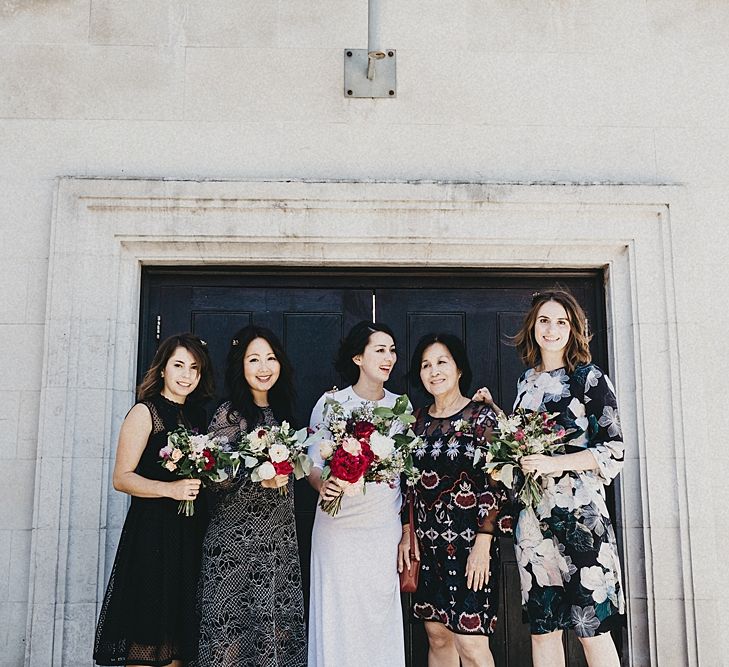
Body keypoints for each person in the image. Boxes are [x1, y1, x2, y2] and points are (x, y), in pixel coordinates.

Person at [476, 290, 625, 667]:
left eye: (561, 321)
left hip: (581, 519)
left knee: (592, 629)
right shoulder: (526, 382)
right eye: (544, 320)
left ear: (574, 329)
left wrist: (556, 464)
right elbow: (521, 445)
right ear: (533, 327)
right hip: (534, 524)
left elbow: (615, 450)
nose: (552, 329)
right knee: (543, 632)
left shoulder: (589, 379)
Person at [93, 333, 215, 667]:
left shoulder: (199, 419)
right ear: (162, 369)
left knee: (177, 644)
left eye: (195, 368)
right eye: (178, 365)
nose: (186, 374)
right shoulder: (144, 412)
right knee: (146, 641)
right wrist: (171, 489)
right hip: (152, 537)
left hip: (188, 538)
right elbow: (122, 478)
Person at [195, 325, 307, 667]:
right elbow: (214, 480)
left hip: (276, 546)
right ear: (240, 366)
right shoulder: (227, 414)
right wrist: (258, 474)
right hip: (233, 547)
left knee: (273, 636)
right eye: (254, 359)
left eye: (270, 358)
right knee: (230, 639)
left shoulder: (287, 413)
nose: (263, 367)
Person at [398, 333, 509, 667]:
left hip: (471, 547)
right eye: (426, 365)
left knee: (471, 645)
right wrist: (407, 531)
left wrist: (484, 544)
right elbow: (406, 484)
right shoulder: (415, 422)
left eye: (442, 362)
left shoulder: (480, 418)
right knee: (437, 637)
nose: (434, 371)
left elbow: (496, 483)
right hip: (428, 547)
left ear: (459, 368)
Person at [307, 321, 406, 667]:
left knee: (378, 616)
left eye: (392, 350)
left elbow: (408, 477)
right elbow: (311, 462)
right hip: (337, 526)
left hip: (382, 526)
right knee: (337, 613)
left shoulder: (401, 409)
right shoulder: (331, 403)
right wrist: (323, 484)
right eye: (380, 350)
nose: (389, 357)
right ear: (357, 357)